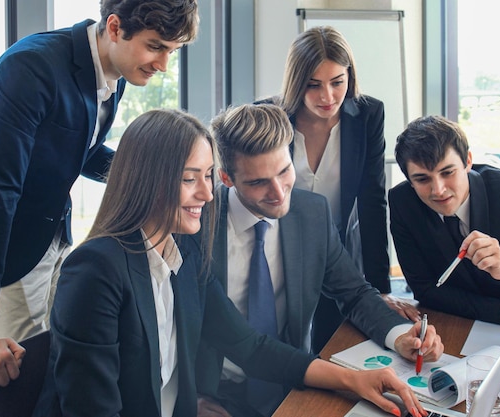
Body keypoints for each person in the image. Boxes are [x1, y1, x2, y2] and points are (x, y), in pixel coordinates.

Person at [33, 108, 429, 417]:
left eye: (207, 176)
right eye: (191, 179)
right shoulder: (95, 270)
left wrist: (354, 380)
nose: (207, 195)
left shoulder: (183, 253)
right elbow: (93, 410)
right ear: (146, 180)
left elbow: (250, 347)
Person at [0, 0, 199, 390]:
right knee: (19, 379)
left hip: (54, 235)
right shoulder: (28, 70)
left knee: (54, 359)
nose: (164, 64)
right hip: (6, 249)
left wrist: (154, 179)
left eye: (173, 51)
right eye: (155, 47)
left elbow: (79, 147)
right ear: (115, 27)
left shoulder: (113, 71)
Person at [195, 104, 444, 417]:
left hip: (295, 380)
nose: (278, 193)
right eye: (258, 182)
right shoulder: (198, 224)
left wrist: (400, 336)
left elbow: (353, 292)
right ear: (226, 178)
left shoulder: (311, 212)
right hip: (216, 392)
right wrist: (188, 398)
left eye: (284, 171)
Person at [257, 26, 419, 353]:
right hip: (279, 250)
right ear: (295, 81)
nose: (327, 97)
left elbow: (373, 202)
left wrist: (379, 290)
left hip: (337, 252)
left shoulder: (367, 115)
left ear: (350, 77)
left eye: (337, 82)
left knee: (336, 345)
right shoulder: (268, 117)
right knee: (281, 345)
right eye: (313, 85)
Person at [389, 115, 500, 325]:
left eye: (448, 172)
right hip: (462, 326)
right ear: (409, 180)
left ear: (468, 161)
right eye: (422, 179)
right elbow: (425, 289)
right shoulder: (402, 201)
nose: (438, 190)